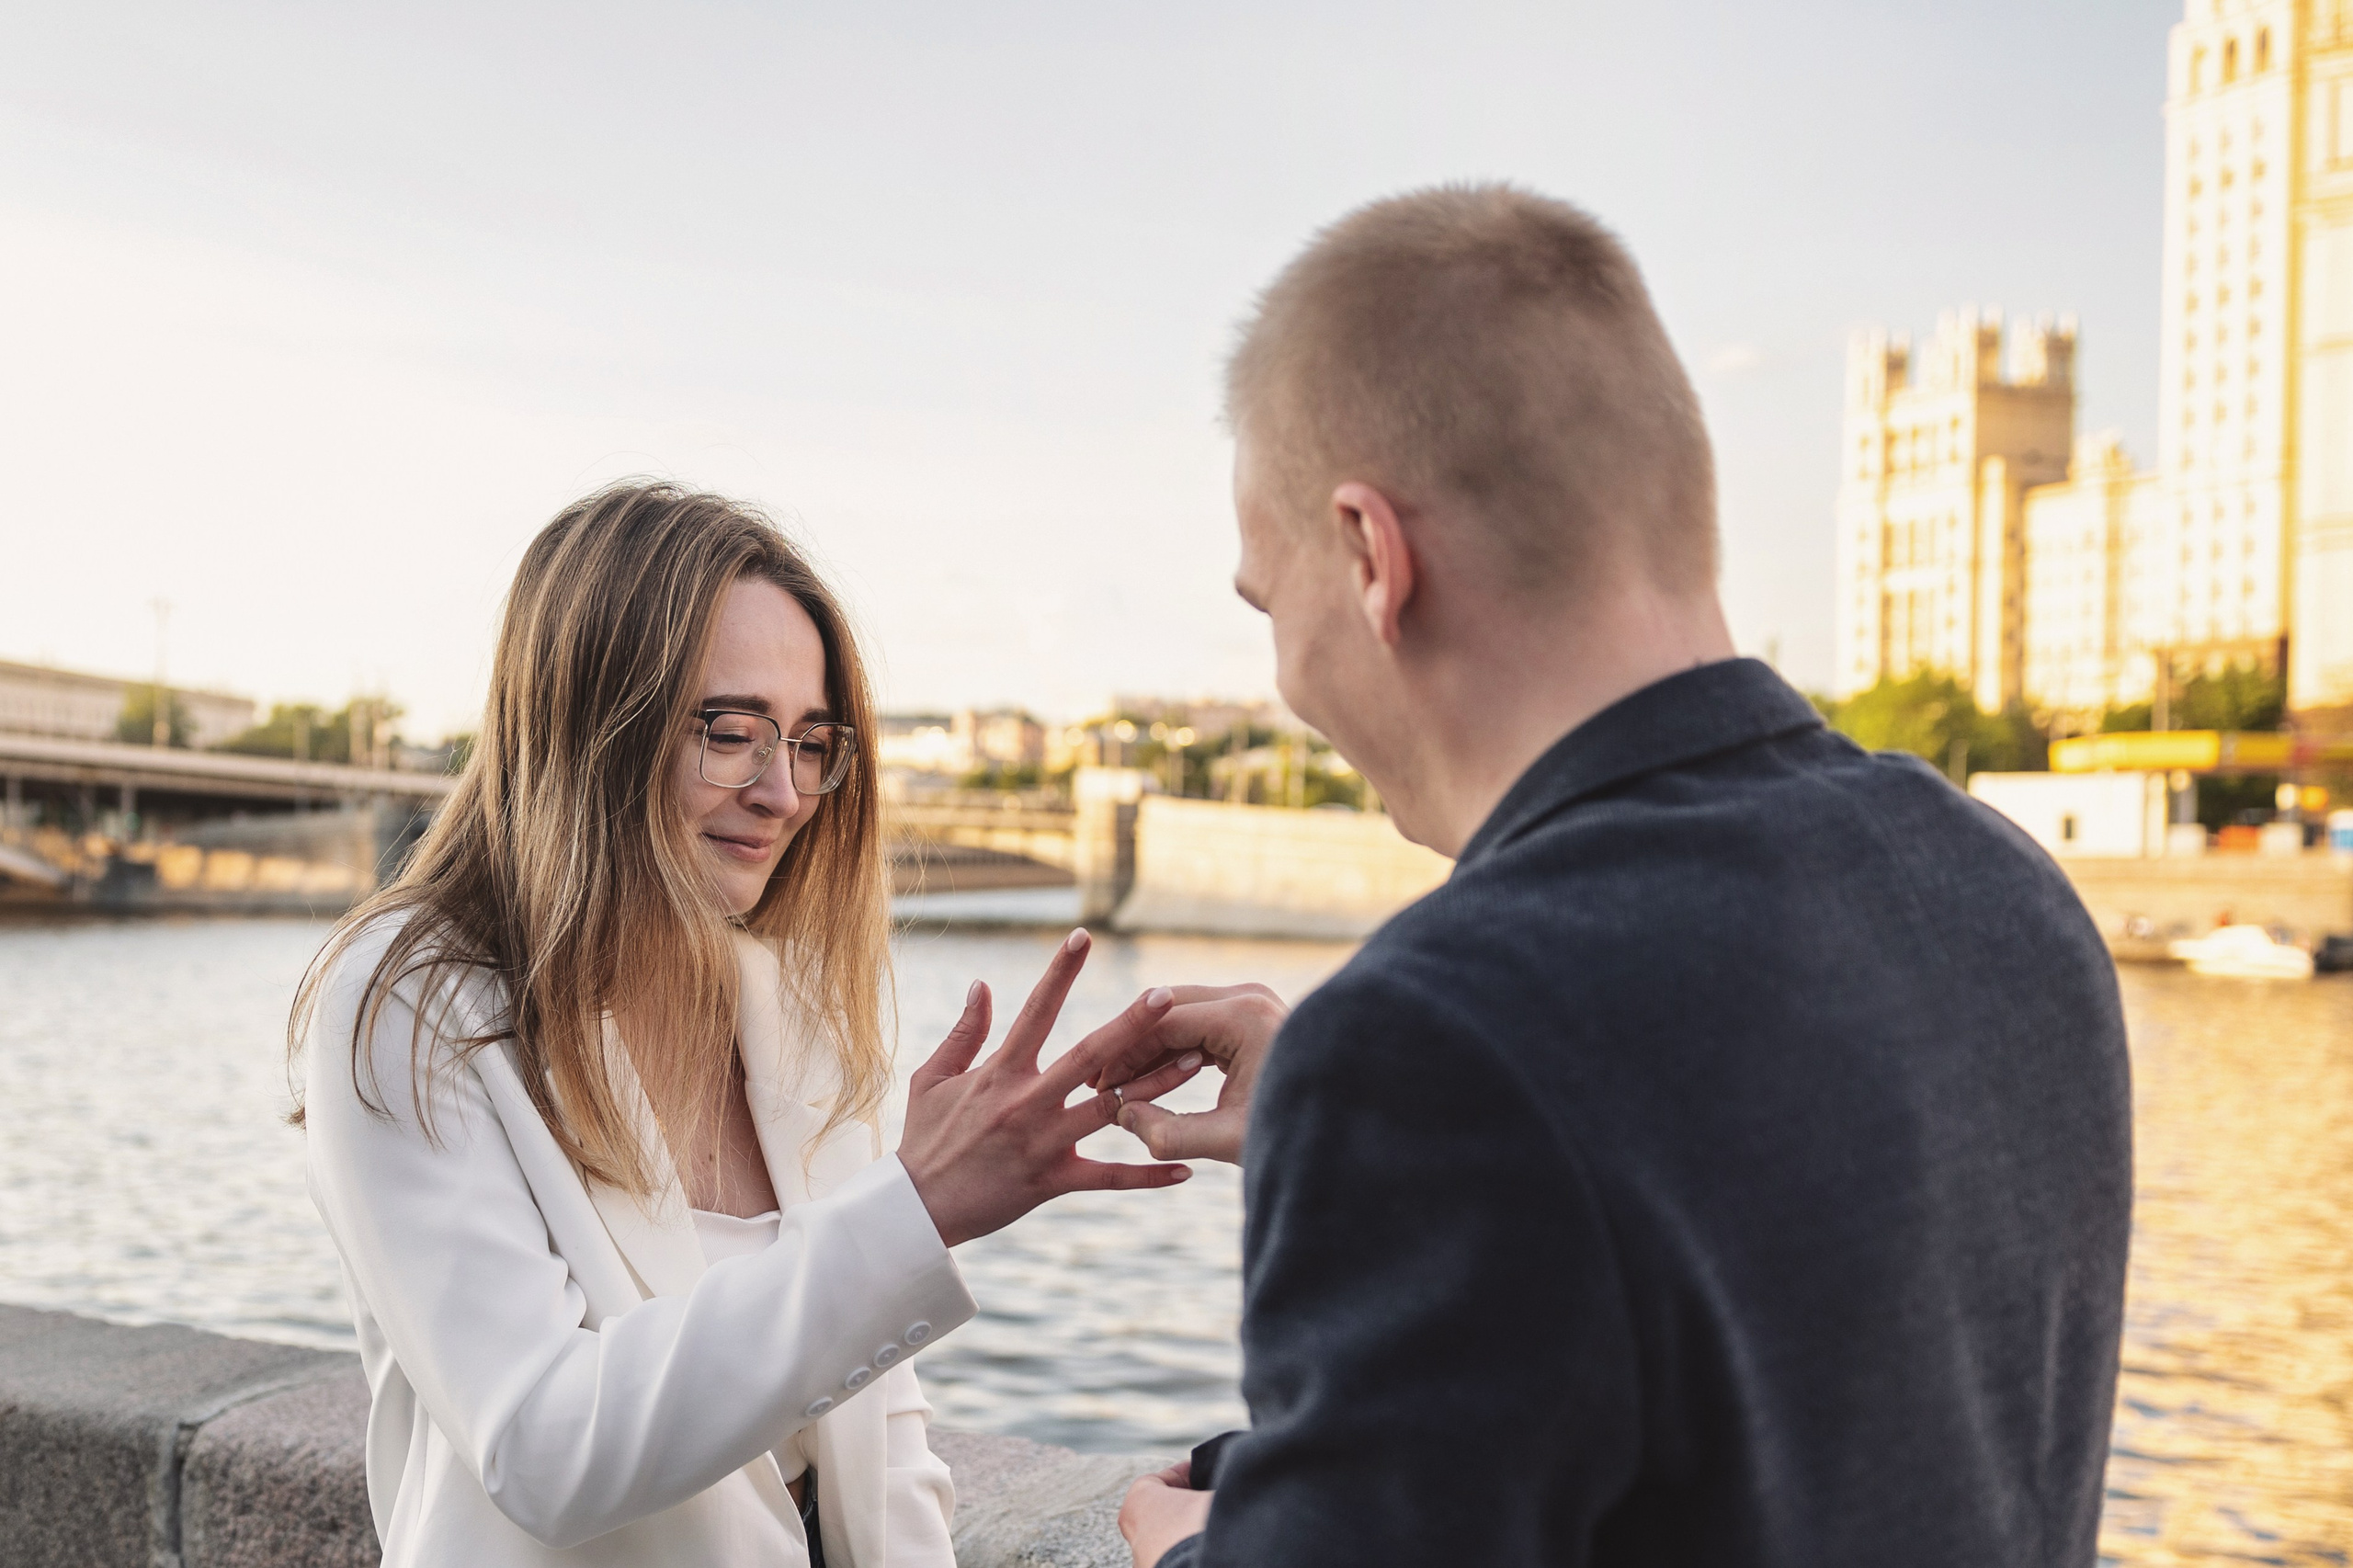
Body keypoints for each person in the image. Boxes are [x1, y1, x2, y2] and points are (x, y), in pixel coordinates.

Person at [1108, 186, 2132, 1567]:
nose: (1283, 671)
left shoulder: (1443, 1036)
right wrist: (1330, 1115)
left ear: (1369, 556)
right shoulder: (2005, 888)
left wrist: (1182, 1544)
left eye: (1266, 598)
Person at [293, 482, 1201, 1568]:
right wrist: (911, 1210)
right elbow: (543, 1444)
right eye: (732, 732)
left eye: (811, 741)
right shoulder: (408, 1003)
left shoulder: (794, 1010)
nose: (784, 790)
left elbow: (883, 1435)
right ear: (590, 723)